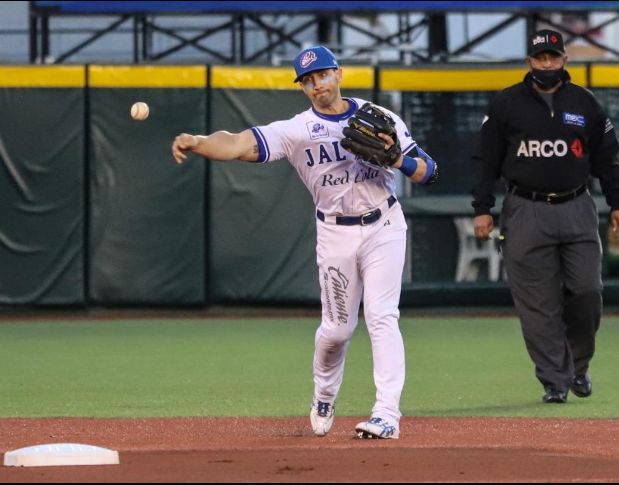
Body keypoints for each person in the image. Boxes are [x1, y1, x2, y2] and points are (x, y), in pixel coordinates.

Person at [172, 45, 438, 438]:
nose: (317, 85)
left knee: (382, 316)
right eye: (308, 81)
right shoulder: (297, 130)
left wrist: (398, 160)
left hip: (384, 224)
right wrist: (197, 140)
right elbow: (237, 142)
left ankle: (387, 414)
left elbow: (429, 172)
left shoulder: (378, 118)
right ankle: (325, 394)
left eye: (323, 75)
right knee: (336, 331)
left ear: (339, 74)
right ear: (303, 87)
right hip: (335, 233)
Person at [471, 30, 619, 403]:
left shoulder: (585, 103)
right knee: (538, 304)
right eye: (540, 58)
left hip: (577, 206)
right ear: (529, 61)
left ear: (563, 60)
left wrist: (618, 202)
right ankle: (554, 381)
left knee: (588, 292)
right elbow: (485, 161)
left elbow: (608, 158)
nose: (546, 64)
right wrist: (482, 209)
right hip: (525, 209)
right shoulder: (507, 103)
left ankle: (578, 365)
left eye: (553, 58)